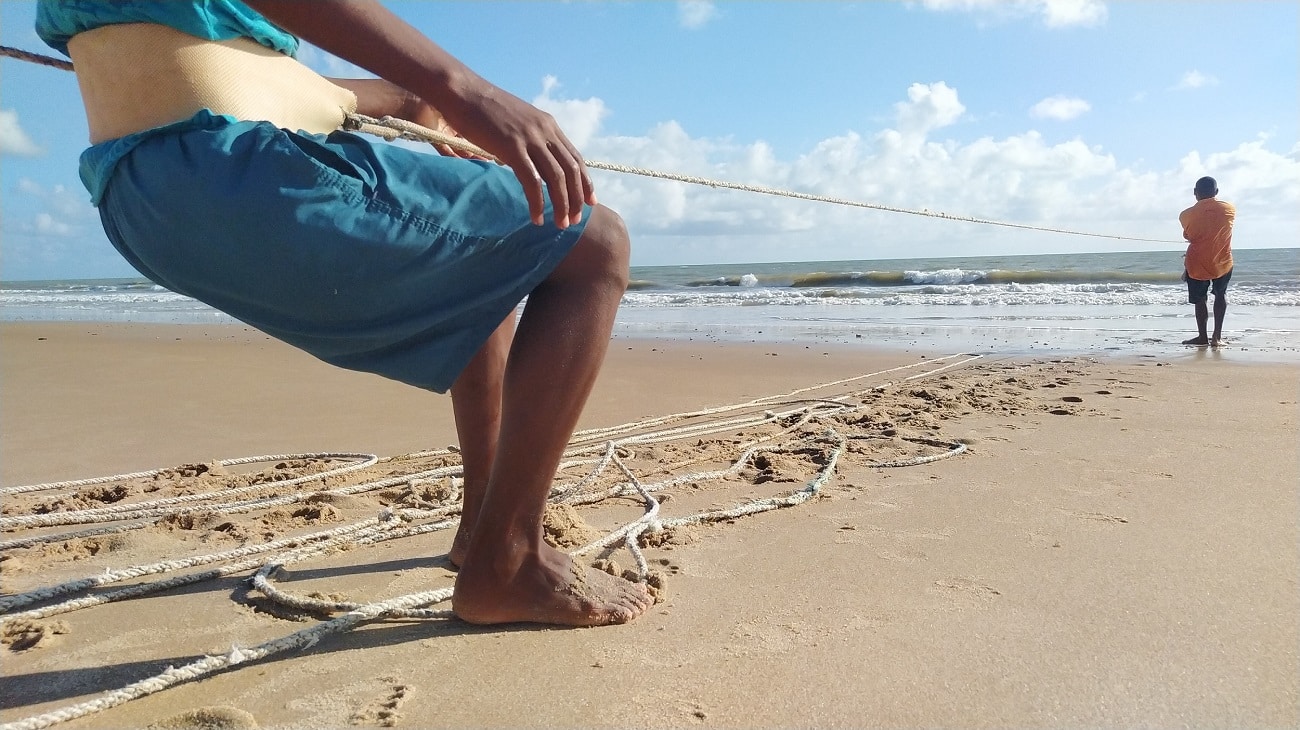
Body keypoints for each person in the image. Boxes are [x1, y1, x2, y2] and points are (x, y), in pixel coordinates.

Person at [35, 0, 653, 627]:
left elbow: (185, 62)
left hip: (139, 203)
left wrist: (396, 99)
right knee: (592, 242)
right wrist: (466, 91)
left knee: (490, 261)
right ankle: (509, 561)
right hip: (229, 176)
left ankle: (481, 527)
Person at [1178, 176, 1236, 347]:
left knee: (1200, 299)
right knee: (1220, 295)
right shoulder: (1230, 209)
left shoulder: (1185, 215)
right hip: (1222, 260)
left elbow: (1188, 236)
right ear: (1216, 192)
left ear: (1195, 193)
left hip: (1197, 262)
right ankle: (1217, 337)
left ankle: (1202, 337)